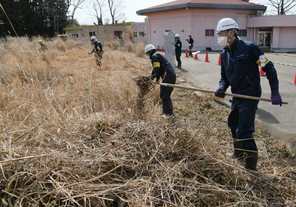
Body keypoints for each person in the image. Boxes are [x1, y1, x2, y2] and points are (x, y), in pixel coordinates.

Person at [215, 18, 283, 171]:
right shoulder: (224, 53)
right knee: (233, 124)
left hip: (250, 95)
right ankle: (238, 154)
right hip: (237, 95)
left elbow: (269, 68)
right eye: (218, 33)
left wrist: (275, 92)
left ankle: (251, 167)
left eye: (222, 33)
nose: (220, 36)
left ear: (232, 32)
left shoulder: (250, 49)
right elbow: (224, 77)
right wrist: (221, 87)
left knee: (244, 130)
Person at [144, 44, 177, 117]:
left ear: (149, 52)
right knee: (165, 95)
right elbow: (156, 69)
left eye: (147, 53)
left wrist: (151, 78)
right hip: (170, 75)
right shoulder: (157, 55)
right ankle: (168, 113)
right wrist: (155, 78)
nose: (148, 55)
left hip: (168, 76)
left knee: (164, 95)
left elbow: (156, 70)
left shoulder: (154, 57)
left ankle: (168, 114)